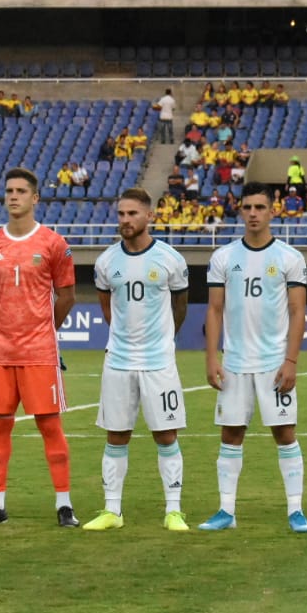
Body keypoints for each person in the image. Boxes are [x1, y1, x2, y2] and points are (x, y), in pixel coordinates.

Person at [0, 168, 78, 528]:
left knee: (50, 425)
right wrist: (8, 324)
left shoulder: (53, 244)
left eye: (20, 191)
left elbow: (67, 295)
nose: (13, 196)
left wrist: (42, 329)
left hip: (39, 353)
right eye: (9, 190)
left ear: (35, 198)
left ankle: (64, 505)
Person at [200, 181, 307, 533]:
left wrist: (290, 361)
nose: (253, 213)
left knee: (285, 432)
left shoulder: (290, 258)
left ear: (272, 211)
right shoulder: (223, 258)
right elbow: (214, 310)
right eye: (247, 207)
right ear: (240, 211)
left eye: (260, 207)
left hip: (273, 363)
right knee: (231, 434)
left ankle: (296, 510)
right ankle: (226, 511)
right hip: (234, 363)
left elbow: (298, 312)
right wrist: (211, 358)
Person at [83, 189, 190, 532]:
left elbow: (180, 307)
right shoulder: (105, 262)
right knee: (116, 435)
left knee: (166, 435)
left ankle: (173, 510)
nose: (125, 220)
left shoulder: (171, 259)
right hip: (118, 361)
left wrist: (163, 340)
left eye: (132, 214)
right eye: (121, 214)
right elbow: (106, 306)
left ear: (149, 216)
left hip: (158, 361)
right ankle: (112, 510)